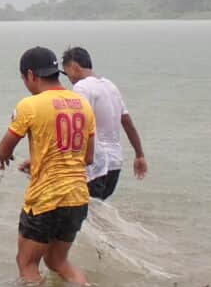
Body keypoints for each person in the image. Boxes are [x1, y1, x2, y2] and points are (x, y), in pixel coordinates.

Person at [0, 47, 95, 285]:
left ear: (30, 75)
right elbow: (87, 158)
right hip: (77, 198)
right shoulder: (83, 105)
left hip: (45, 200)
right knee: (58, 262)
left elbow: (4, 151)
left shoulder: (30, 105)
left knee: (27, 263)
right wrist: (38, 160)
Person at [61, 46, 147, 200]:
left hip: (96, 166)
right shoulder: (110, 86)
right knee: (95, 212)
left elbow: (78, 125)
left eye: (67, 73)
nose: (69, 79)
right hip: (115, 164)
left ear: (74, 67)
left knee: (83, 215)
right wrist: (139, 154)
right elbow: (127, 123)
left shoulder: (81, 87)